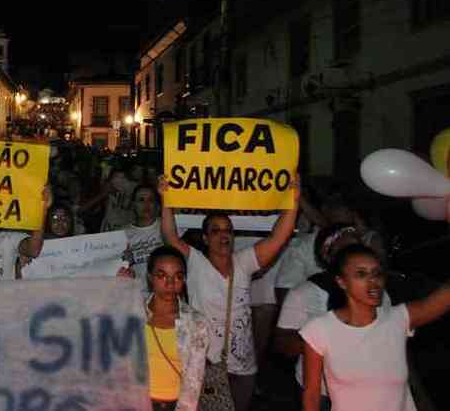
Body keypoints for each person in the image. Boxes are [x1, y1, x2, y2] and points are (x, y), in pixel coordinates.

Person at [160, 176, 300, 411]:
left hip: (243, 364)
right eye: (216, 231)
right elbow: (170, 236)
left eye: (228, 230)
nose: (224, 235)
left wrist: (293, 200)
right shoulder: (196, 262)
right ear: (205, 238)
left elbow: (279, 237)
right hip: (203, 362)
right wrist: (166, 199)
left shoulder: (243, 262)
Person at [300, 245, 450, 411]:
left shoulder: (398, 318)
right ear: (341, 282)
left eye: (377, 274)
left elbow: (443, 298)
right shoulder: (319, 329)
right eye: (361, 274)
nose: (373, 281)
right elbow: (312, 394)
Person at [274, 224, 377, 409]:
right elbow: (282, 344)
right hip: (320, 393)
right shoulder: (304, 293)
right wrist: (323, 343)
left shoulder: (376, 292)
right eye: (348, 251)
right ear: (329, 256)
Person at [119, 246, 209, 411]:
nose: (170, 283)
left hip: (176, 405)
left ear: (184, 280)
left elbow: (194, 380)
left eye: (178, 276)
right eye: (161, 275)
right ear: (149, 278)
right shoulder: (133, 312)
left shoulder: (196, 322)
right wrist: (118, 289)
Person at [124, 184, 164, 279]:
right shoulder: (122, 233)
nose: (146, 204)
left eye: (151, 200)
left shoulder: (168, 226)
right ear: (133, 205)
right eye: (141, 200)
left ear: (157, 205)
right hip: (134, 290)